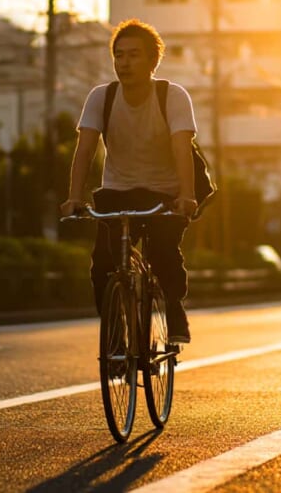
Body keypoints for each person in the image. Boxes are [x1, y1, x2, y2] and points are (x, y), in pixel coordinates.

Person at [60, 19, 198, 344]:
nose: (125, 63)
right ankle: (116, 338)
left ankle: (174, 310)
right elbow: (85, 150)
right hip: (116, 193)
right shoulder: (102, 97)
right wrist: (74, 197)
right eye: (119, 56)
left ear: (153, 61)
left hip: (163, 193)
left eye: (134, 55)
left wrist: (187, 195)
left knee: (164, 255)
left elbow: (182, 149)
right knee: (103, 267)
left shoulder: (172, 96)